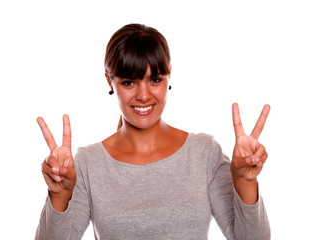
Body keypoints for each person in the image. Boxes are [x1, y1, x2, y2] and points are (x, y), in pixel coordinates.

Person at [35, 24, 271, 240]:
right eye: (129, 82)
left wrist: (245, 181)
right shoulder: (89, 163)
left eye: (155, 79)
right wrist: (58, 197)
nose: (144, 95)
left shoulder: (204, 153)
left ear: (169, 75)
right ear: (109, 81)